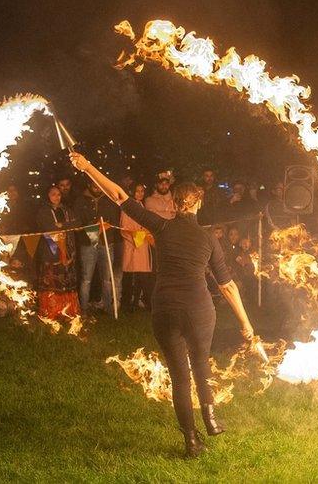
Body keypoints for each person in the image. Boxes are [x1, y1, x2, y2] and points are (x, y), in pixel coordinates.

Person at [69, 151, 255, 458]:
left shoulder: (162, 227)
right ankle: (210, 417)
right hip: (198, 308)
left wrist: (87, 167)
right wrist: (246, 323)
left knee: (179, 377)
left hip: (165, 306)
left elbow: (119, 196)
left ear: (176, 203)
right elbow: (227, 285)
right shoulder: (209, 239)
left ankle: (191, 441)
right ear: (198, 202)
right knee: (200, 364)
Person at [73, 181, 123, 316]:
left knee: (107, 278)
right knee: (86, 278)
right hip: (88, 243)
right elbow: (77, 222)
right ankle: (83, 309)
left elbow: (115, 220)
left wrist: (107, 225)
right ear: (89, 186)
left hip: (107, 242)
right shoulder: (80, 200)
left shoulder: (109, 200)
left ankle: (107, 308)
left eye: (99, 186)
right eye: (94, 186)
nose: (97, 189)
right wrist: (93, 226)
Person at [33, 186, 80, 319]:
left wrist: (62, 225)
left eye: (58, 194)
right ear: (48, 196)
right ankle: (51, 312)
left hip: (68, 251)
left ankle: (68, 312)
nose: (56, 197)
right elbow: (46, 227)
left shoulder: (66, 210)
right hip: (51, 251)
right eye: (53, 194)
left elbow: (78, 223)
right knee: (51, 282)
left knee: (66, 281)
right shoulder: (43, 211)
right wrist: (60, 226)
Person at [121, 182, 153, 311]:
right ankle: (127, 303)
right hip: (133, 245)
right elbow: (124, 228)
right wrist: (137, 237)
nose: (140, 193)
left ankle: (140, 301)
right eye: (137, 191)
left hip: (143, 245)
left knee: (143, 276)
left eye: (142, 191)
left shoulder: (141, 205)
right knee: (130, 276)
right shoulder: (127, 207)